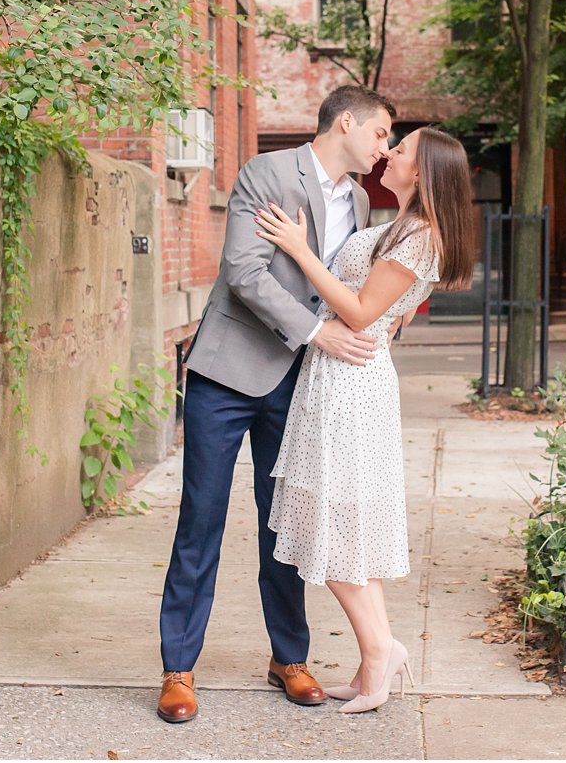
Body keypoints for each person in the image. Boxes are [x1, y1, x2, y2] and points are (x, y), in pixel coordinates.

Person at [157, 85, 397, 724]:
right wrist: (319, 331)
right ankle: (177, 668)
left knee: (284, 525)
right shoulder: (268, 172)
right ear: (346, 122)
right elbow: (244, 269)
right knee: (201, 518)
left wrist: (381, 319)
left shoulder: (365, 201)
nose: (384, 149)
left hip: (304, 386)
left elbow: (354, 285)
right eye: (379, 134)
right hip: (228, 373)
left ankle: (289, 656)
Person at [253, 126, 476, 714]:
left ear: (423, 172)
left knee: (334, 522)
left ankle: (379, 651)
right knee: (340, 520)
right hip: (338, 377)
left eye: (400, 149)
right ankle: (377, 654)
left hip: (350, 382)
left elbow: (357, 311)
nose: (389, 152)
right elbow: (381, 306)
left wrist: (299, 249)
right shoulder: (398, 227)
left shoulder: (422, 237)